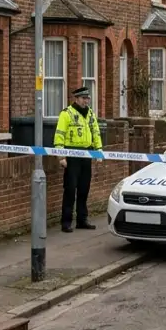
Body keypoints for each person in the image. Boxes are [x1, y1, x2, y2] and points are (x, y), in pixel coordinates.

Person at [55, 86, 103, 232]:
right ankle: (66, 221)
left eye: (87, 98)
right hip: (72, 154)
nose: (86, 101)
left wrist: (98, 150)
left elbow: (96, 132)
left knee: (84, 188)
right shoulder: (66, 113)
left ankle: (82, 219)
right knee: (70, 189)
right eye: (83, 98)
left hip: (86, 154)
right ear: (76, 99)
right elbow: (59, 134)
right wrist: (61, 156)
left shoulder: (90, 114)